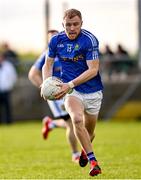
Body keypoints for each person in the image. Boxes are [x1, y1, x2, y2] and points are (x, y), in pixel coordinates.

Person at [41, 9, 103, 176]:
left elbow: (93, 70)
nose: (72, 28)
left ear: (81, 24)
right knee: (76, 119)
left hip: (93, 92)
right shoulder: (56, 41)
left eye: (75, 24)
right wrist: (47, 83)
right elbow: (47, 65)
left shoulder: (89, 40)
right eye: (68, 25)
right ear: (63, 25)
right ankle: (93, 162)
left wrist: (70, 84)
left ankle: (85, 150)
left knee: (90, 132)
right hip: (72, 92)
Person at [28, 30, 80, 163]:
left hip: (71, 90)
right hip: (57, 95)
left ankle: (51, 123)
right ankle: (75, 154)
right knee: (71, 123)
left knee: (78, 121)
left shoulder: (69, 51)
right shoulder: (46, 55)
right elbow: (32, 74)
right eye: (51, 39)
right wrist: (45, 87)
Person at [0, 51, 17, 124]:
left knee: (7, 107)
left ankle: (8, 122)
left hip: (6, 90)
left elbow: (13, 77)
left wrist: (10, 86)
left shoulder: (8, 66)